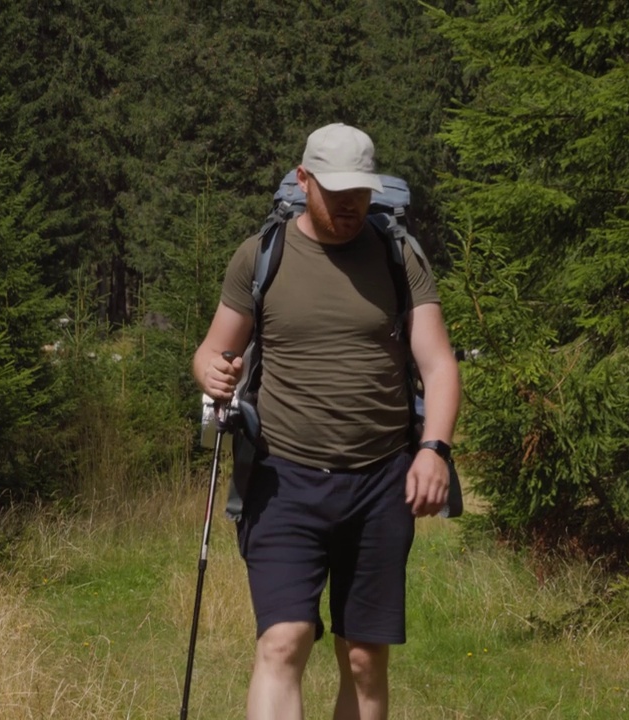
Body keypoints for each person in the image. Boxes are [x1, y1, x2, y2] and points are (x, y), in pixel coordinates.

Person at [192, 122, 460, 720]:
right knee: (283, 642)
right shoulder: (262, 254)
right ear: (304, 179)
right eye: (336, 193)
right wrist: (212, 372)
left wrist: (433, 450)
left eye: (360, 194)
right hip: (282, 481)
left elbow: (439, 365)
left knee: (364, 658)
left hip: (380, 482)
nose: (349, 207)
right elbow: (213, 350)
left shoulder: (398, 255)